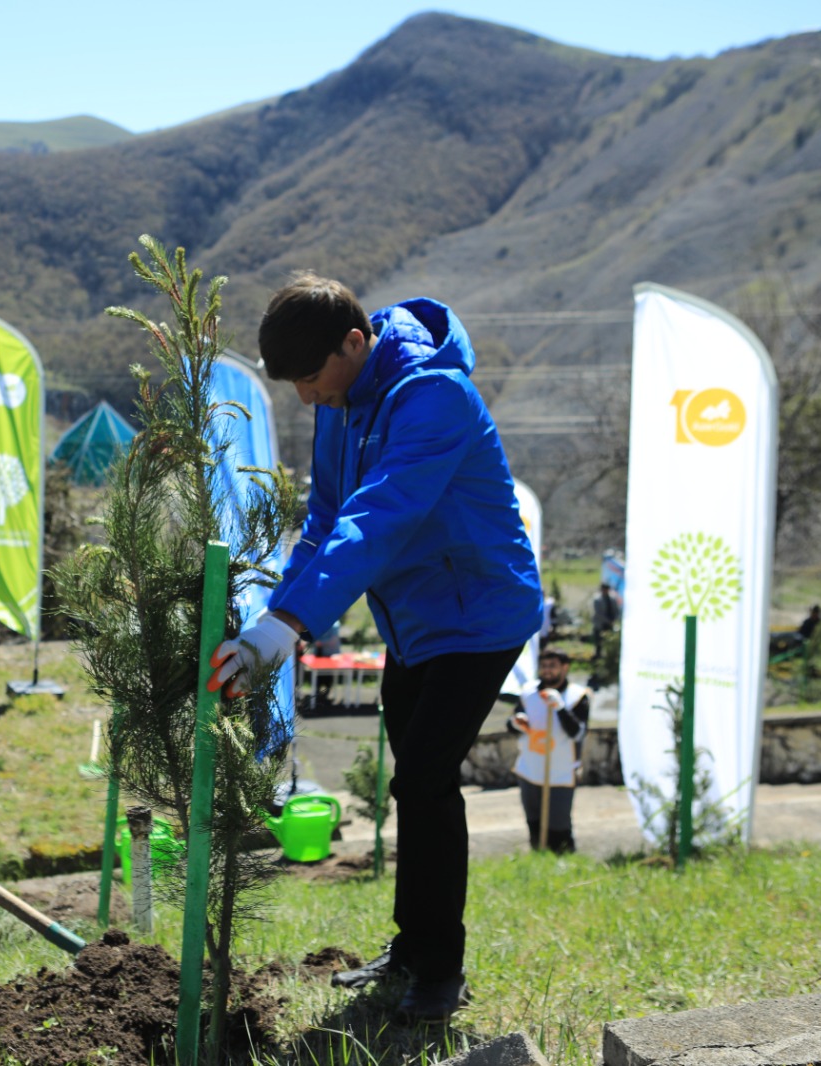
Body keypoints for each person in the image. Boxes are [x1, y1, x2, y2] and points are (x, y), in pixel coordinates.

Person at [210, 275, 541, 1023]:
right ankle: (414, 947)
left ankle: (441, 971)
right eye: (292, 383)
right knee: (413, 783)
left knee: (425, 777)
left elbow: (380, 517)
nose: (303, 398)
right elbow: (327, 516)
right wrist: (276, 618)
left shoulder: (436, 398)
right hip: (414, 624)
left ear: (355, 343)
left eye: (309, 377)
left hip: (480, 614)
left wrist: (287, 625)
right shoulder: (341, 403)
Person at [504, 646, 590, 853]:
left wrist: (559, 708)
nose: (547, 670)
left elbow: (577, 733)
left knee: (558, 827)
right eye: (544, 666)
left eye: (552, 666)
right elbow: (512, 725)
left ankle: (564, 864)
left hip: (560, 773)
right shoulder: (528, 693)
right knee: (534, 823)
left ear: (565, 667)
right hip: (530, 769)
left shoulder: (577, 696)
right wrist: (517, 722)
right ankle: (538, 860)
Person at [590, 583, 619, 662]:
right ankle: (598, 657)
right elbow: (598, 613)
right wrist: (608, 621)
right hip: (600, 623)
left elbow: (616, 610)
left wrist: (613, 620)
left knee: (609, 641)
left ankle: (609, 657)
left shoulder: (612, 599)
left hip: (610, 623)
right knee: (598, 642)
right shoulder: (597, 599)